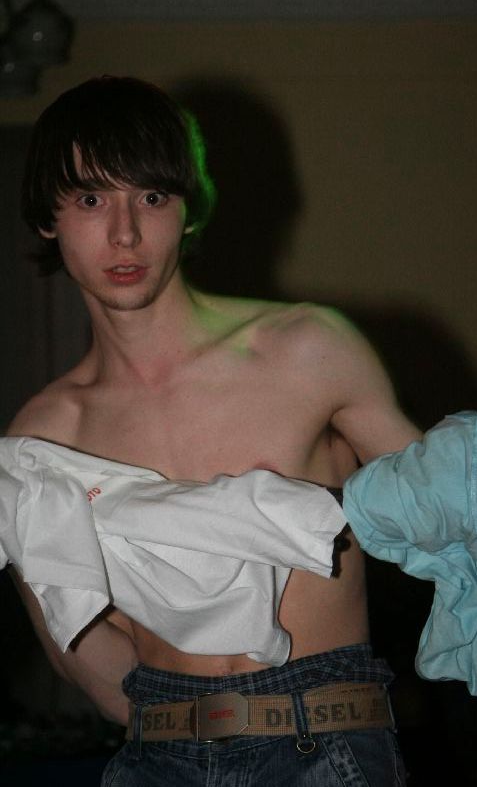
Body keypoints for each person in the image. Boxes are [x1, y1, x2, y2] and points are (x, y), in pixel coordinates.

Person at [5, 76, 420, 786]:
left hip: (324, 742)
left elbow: (455, 527)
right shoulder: (42, 441)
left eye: (152, 197)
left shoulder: (308, 350)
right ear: (50, 218)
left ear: (189, 209)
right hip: (159, 754)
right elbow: (91, 661)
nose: (125, 233)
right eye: (91, 199)